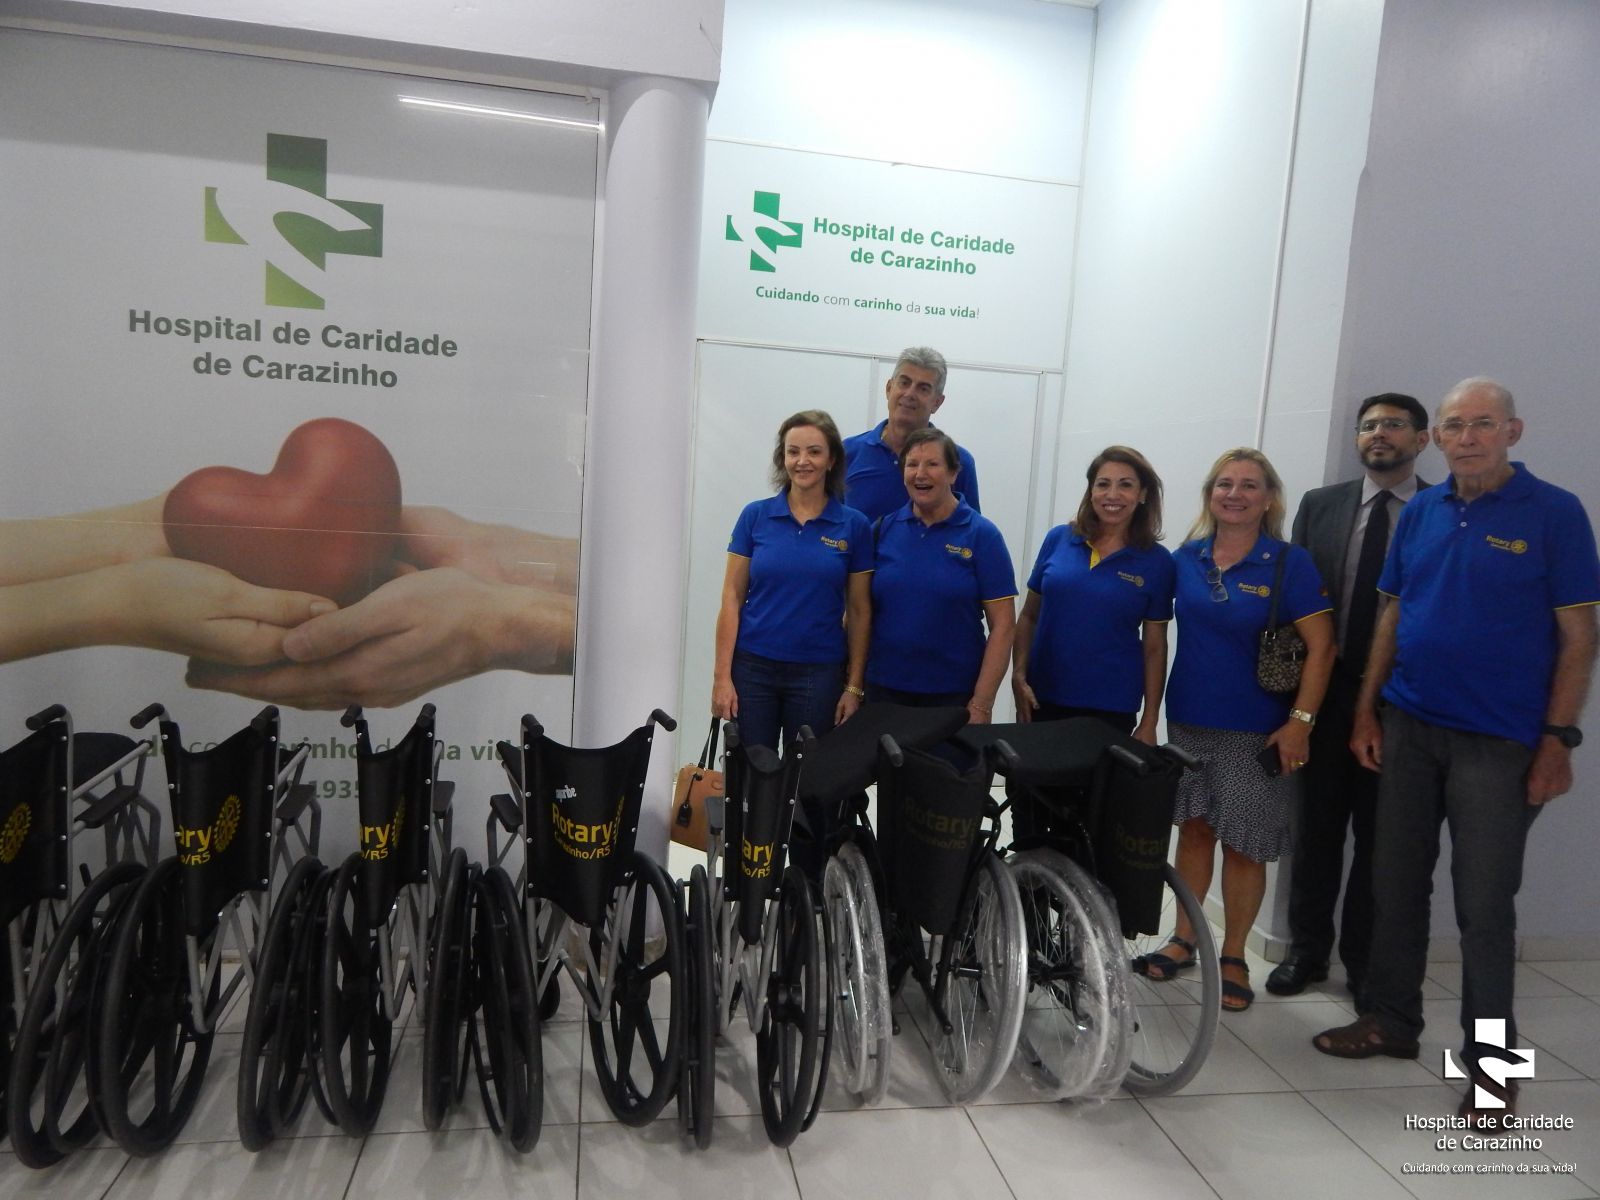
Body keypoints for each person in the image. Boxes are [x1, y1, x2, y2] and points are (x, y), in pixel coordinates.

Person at [1313, 379, 1599, 1126]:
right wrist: (1367, 710)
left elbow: (1579, 638)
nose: (1467, 438)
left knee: (1485, 907)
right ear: (1435, 437)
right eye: (1454, 426)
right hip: (1409, 727)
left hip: (1500, 743)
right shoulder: (1424, 511)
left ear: (1513, 431)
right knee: (1394, 886)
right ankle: (1391, 1020)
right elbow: (1392, 612)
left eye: (1483, 424)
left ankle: (1494, 1072)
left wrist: (1558, 741)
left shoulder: (1555, 512)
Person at [1143, 448, 1335, 1013]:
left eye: (1249, 485)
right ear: (1210, 495)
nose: (1235, 494)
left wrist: (1300, 723)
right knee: (1194, 831)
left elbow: (1323, 648)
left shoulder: (1288, 563)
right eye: (1224, 484)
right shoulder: (1187, 558)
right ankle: (1184, 938)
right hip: (1189, 720)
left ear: (1269, 498)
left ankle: (1233, 955)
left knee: (1245, 846)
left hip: (1259, 731)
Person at [1268, 394, 1432, 1001]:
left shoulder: (1439, 510)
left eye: (1393, 425)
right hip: (1325, 693)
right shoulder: (1321, 505)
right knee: (1315, 831)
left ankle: (1365, 966)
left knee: (1382, 842)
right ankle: (1308, 951)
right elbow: (1294, 600)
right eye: (1368, 426)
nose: (1378, 434)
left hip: (1402, 702)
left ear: (1422, 439)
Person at [712, 410, 873, 753]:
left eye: (814, 452)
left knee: (807, 775)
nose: (802, 461)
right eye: (793, 451)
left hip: (819, 673)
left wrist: (854, 687)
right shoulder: (755, 516)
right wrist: (721, 677)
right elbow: (731, 597)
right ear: (782, 458)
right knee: (753, 773)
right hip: (753, 669)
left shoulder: (854, 525)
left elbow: (860, 611)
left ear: (831, 460)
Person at [1012, 446, 1174, 742]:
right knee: (1031, 773)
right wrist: (1018, 675)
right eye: (1103, 484)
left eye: (1125, 485)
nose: (1112, 495)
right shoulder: (1058, 539)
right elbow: (1029, 616)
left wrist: (1150, 720)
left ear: (1142, 494)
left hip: (1110, 706)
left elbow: (1154, 648)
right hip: (1042, 697)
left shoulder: (1158, 562)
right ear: (1091, 491)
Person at [866, 428, 1014, 725]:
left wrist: (982, 703)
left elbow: (1004, 626)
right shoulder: (882, 530)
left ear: (953, 473)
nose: (920, 474)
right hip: (883, 693)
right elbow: (857, 612)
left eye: (932, 464)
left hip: (953, 697)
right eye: (912, 464)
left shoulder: (982, 535)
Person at [843, 347, 980, 521]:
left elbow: (971, 531)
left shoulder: (958, 461)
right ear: (889, 388)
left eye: (923, 389)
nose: (910, 394)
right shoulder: (847, 453)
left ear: (937, 403)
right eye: (904, 383)